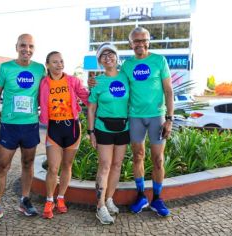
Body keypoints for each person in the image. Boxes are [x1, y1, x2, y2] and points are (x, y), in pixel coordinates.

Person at [88, 27, 174, 217]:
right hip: (134, 118)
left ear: (149, 41)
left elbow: (168, 90)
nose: (140, 44)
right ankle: (141, 195)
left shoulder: (159, 60)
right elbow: (110, 80)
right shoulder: (126, 66)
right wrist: (93, 82)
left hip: (156, 116)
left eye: (144, 40)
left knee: (158, 159)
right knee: (137, 156)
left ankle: (158, 198)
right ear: (130, 44)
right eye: (136, 41)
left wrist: (169, 118)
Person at [0, 33, 46, 226]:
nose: (27, 49)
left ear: (34, 49)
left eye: (31, 46)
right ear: (16, 47)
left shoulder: (40, 69)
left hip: (31, 125)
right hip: (9, 126)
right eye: (23, 45)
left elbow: (49, 90)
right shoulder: (6, 68)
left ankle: (25, 200)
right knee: (1, 166)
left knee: (28, 163)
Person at [39, 51, 89, 219]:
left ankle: (60, 198)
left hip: (73, 128)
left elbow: (88, 98)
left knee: (67, 166)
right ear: (47, 65)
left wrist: (98, 92)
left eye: (61, 61)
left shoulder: (73, 81)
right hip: (54, 128)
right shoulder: (44, 83)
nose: (59, 64)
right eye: (55, 62)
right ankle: (49, 200)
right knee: (53, 168)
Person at [87, 43, 130, 225]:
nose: (108, 57)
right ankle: (100, 206)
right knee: (105, 165)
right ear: (99, 61)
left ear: (117, 57)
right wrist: (91, 132)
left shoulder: (126, 77)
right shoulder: (97, 81)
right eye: (103, 55)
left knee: (117, 165)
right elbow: (90, 109)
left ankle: (109, 199)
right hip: (103, 128)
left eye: (111, 53)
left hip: (123, 128)